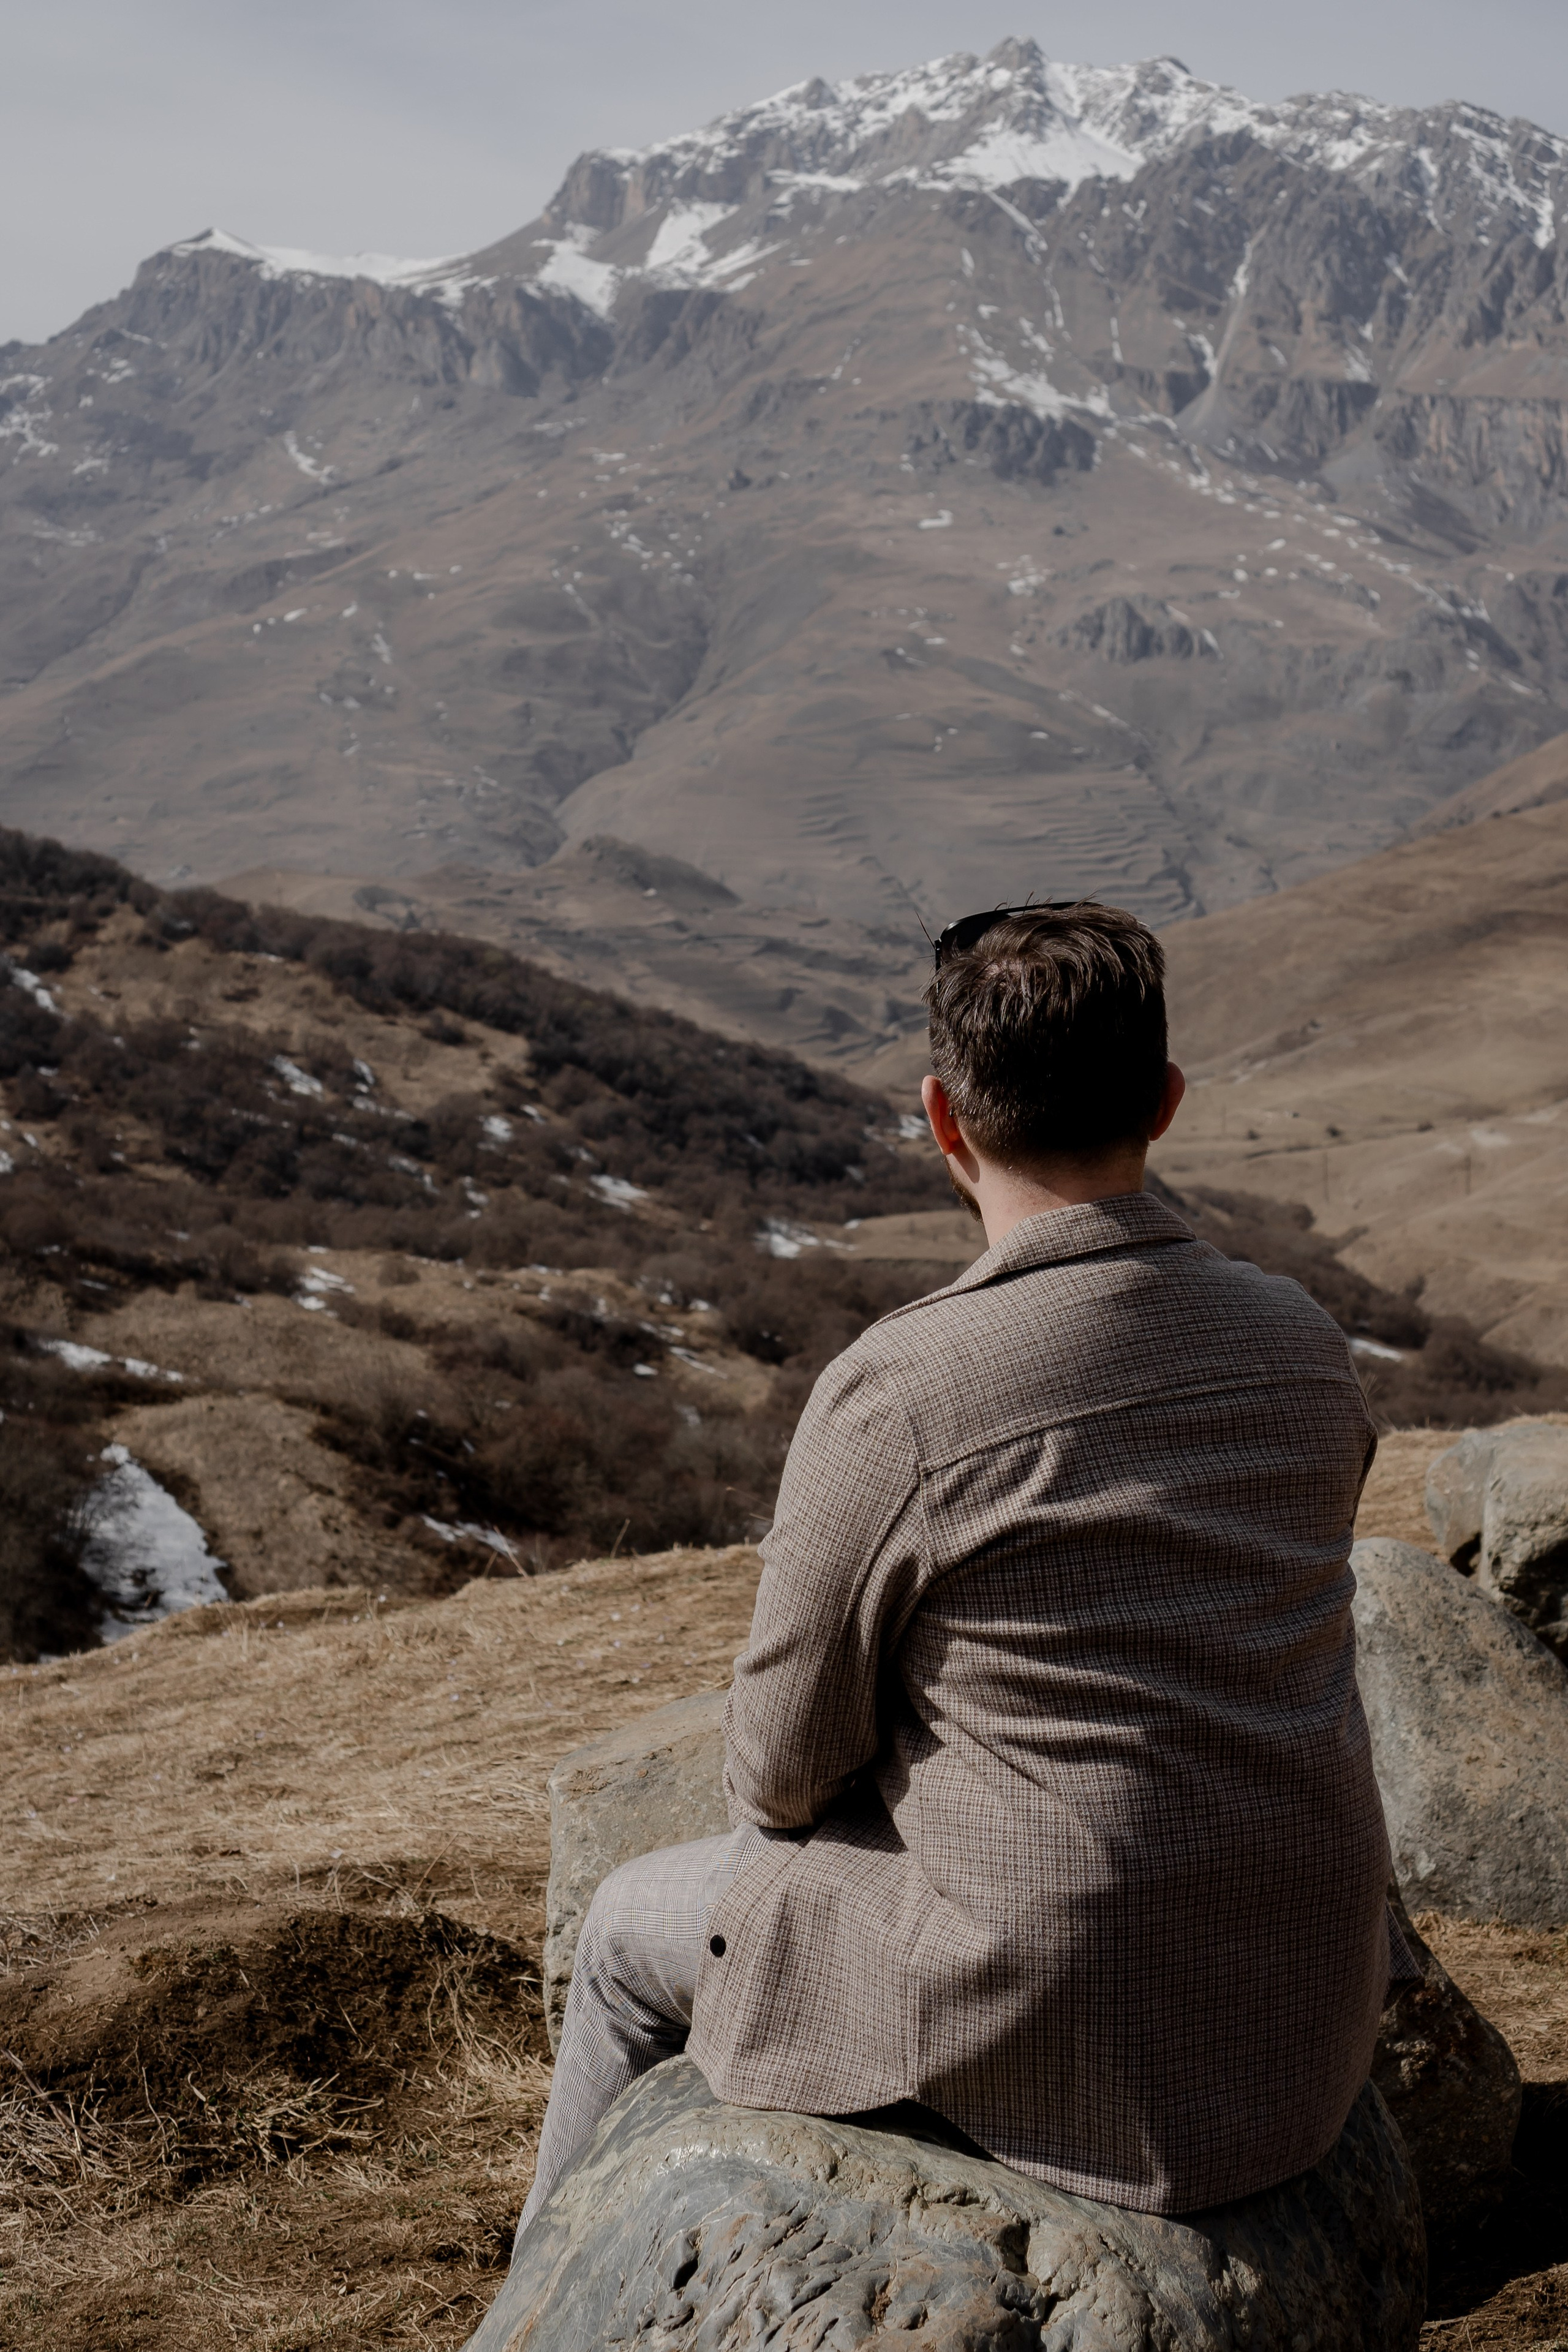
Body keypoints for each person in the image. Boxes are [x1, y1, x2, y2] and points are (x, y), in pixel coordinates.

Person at [516, 900, 1396, 2235]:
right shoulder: (1300, 1341)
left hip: (1066, 2020)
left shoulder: (905, 1386)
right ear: (1162, 1102)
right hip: (1298, 2008)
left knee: (631, 1927)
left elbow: (778, 1766)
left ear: (940, 1117)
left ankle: (552, 2295)